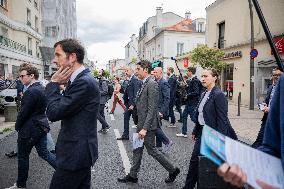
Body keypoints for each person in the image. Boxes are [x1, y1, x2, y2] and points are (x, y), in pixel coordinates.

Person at [45, 39, 100, 189]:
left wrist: (53, 84)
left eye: (58, 55)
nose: (54, 60)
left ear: (72, 57)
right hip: (78, 153)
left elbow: (54, 112)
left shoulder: (84, 82)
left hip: (75, 155)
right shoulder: (78, 80)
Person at [117, 60, 180, 184]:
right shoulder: (143, 82)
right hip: (141, 122)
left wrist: (144, 128)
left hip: (148, 125)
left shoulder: (151, 84)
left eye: (138, 69)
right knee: (137, 148)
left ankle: (173, 170)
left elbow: (152, 108)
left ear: (146, 70)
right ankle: (133, 175)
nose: (136, 71)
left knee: (151, 150)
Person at [217, 74, 284, 189]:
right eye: (274, 75)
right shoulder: (282, 83)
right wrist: (251, 168)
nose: (276, 77)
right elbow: (272, 146)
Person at [183, 68, 237, 189]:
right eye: (202, 76)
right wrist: (196, 130)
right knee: (195, 161)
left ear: (214, 78)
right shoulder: (204, 93)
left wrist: (220, 140)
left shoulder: (219, 95)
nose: (203, 79)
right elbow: (201, 115)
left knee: (203, 163)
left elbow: (223, 120)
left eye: (206, 76)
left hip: (213, 134)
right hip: (203, 131)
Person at [6, 64, 56, 189]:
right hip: (41, 126)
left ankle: (21, 185)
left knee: (23, 157)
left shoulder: (31, 91)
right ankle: (66, 173)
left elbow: (23, 113)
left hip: (29, 129)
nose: (20, 78)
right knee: (44, 153)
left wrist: (17, 126)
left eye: (22, 76)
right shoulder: (41, 87)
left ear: (32, 75)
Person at [252, 67, 282, 148]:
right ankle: (251, 155)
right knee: (260, 139)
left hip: (278, 120)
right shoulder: (271, 87)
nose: (276, 76)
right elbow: (267, 100)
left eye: (279, 75)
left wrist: (271, 109)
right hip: (267, 118)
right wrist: (264, 104)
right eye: (274, 75)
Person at [177, 67, 202, 138]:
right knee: (184, 116)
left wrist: (187, 95)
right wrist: (187, 86)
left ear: (190, 72)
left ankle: (202, 129)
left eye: (187, 71)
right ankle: (184, 132)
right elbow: (191, 90)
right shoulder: (191, 80)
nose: (187, 73)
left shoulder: (195, 80)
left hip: (193, 103)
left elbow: (196, 92)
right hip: (189, 103)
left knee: (193, 118)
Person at [117, 67, 141, 140]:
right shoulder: (129, 80)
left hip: (134, 105)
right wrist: (120, 90)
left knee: (137, 122)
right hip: (128, 104)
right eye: (125, 71)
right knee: (126, 118)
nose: (125, 72)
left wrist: (133, 104)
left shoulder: (135, 80)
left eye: (127, 71)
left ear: (131, 71)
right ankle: (125, 135)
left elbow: (136, 94)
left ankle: (141, 138)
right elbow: (126, 92)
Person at [153, 67, 173, 152]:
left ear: (161, 72)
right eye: (154, 72)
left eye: (156, 72)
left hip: (160, 110)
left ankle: (167, 141)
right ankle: (159, 146)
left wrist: (161, 111)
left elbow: (167, 98)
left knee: (154, 126)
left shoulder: (164, 83)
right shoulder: (156, 81)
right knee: (157, 126)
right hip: (155, 109)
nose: (154, 74)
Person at [97, 69, 111, 134]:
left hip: (102, 100)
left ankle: (106, 125)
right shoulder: (100, 80)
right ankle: (104, 128)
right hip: (100, 99)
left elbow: (105, 91)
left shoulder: (103, 81)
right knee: (102, 114)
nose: (98, 72)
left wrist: (97, 92)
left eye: (99, 72)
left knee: (97, 114)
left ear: (102, 73)